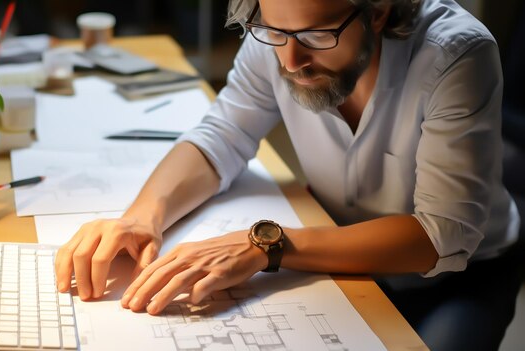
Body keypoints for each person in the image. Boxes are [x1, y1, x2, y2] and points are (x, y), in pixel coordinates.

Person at [55, 0, 522, 349]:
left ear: (377, 12)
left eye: (318, 35)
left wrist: (267, 244)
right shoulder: (278, 34)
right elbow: (223, 133)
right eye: (273, 31)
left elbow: (442, 234)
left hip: (459, 278)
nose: (291, 61)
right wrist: (141, 218)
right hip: (339, 250)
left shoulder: (457, 54)